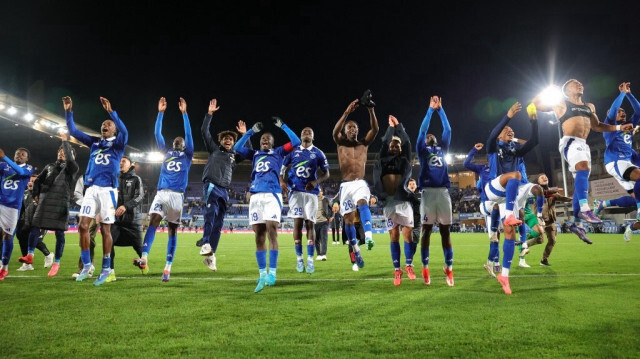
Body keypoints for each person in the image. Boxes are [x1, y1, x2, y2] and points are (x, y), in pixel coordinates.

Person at [534, 79, 633, 224]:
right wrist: (546, 90)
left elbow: (597, 126)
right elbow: (537, 105)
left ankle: (576, 221)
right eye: (575, 84)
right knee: (583, 168)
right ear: (567, 90)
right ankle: (585, 209)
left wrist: (619, 128)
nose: (580, 84)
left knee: (582, 178)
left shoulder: (589, 106)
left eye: (581, 83)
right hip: (570, 141)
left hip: (583, 144)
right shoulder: (562, 103)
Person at [65, 95, 128, 286]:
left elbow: (125, 130)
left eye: (108, 125)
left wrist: (111, 112)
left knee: (105, 230)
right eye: (103, 125)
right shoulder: (94, 143)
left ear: (114, 130)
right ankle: (86, 265)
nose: (105, 126)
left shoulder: (118, 144)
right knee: (83, 226)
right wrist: (68, 112)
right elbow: (73, 130)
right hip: (91, 189)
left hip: (108, 190)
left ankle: (107, 267)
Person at [233, 117, 301, 293]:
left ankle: (273, 273)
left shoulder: (278, 152)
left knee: (272, 231)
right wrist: (250, 131)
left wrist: (283, 126)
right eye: (262, 139)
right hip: (255, 197)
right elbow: (237, 148)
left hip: (272, 195)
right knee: (258, 236)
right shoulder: (254, 154)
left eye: (268, 139)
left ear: (272, 143)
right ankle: (262, 274)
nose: (264, 140)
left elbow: (296, 142)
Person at [485, 102, 546, 295]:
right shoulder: (493, 147)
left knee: (538, 189)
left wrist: (533, 119)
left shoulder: (515, 150)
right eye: (506, 129)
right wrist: (508, 116)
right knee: (516, 176)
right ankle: (507, 217)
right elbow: (492, 135)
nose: (510, 130)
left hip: (513, 193)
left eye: (511, 129)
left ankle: (504, 274)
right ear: (500, 135)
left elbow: (535, 141)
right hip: (495, 188)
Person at [134, 97, 193, 282]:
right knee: (153, 222)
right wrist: (160, 113)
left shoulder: (188, 155)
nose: (178, 141)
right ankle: (144, 257)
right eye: (175, 141)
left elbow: (189, 134)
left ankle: (167, 268)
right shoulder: (166, 152)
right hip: (162, 192)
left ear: (183, 145)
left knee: (172, 231)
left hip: (176, 195)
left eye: (180, 141)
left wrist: (185, 114)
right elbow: (157, 134)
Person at [198, 99, 250, 271]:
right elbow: (204, 131)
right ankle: (205, 243)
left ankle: (211, 256)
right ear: (220, 141)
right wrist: (209, 114)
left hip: (225, 190)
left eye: (230, 139)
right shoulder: (214, 149)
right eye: (225, 139)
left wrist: (245, 135)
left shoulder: (235, 156)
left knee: (219, 224)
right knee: (211, 213)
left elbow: (249, 153)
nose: (228, 140)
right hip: (212, 185)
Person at [18, 133, 78, 277]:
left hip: (60, 203)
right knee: (35, 225)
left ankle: (56, 262)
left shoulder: (72, 168)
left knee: (59, 233)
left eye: (64, 152)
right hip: (45, 201)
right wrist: (36, 195)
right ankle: (30, 255)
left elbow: (69, 159)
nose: (61, 153)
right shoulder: (50, 166)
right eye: (59, 152)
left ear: (70, 155)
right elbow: (38, 181)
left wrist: (65, 142)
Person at [332, 94, 379, 269]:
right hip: (345, 185)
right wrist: (346, 113)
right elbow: (334, 132)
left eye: (355, 128)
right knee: (348, 221)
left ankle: (368, 237)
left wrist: (371, 110)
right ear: (345, 131)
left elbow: (375, 130)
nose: (353, 130)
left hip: (360, 182)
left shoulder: (363, 144)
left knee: (363, 203)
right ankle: (356, 251)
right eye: (349, 128)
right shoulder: (340, 143)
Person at [588, 83, 640, 240]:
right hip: (616, 162)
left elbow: (639, 110)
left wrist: (630, 94)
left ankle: (606, 206)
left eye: (624, 111)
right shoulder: (610, 126)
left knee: (634, 197)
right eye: (618, 111)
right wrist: (622, 94)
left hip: (626, 163)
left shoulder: (629, 125)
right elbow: (614, 108)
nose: (622, 112)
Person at [280, 127, 330, 273]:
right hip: (295, 192)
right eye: (304, 132)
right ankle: (299, 260)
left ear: (313, 137)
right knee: (297, 224)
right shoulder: (293, 151)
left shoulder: (318, 153)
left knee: (310, 225)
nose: (307, 134)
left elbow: (326, 173)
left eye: (310, 132)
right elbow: (282, 169)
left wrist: (316, 182)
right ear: (301, 136)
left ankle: (310, 260)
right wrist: (282, 182)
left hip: (311, 193)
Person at [416, 96, 454, 286]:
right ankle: (425, 268)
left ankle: (449, 269)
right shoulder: (422, 151)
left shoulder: (443, 149)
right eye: (427, 135)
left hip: (443, 193)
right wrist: (430, 110)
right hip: (428, 193)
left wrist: (441, 110)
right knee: (426, 232)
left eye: (432, 135)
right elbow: (423, 129)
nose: (429, 135)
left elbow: (448, 129)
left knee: (446, 233)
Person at [374, 115, 414, 285]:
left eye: (397, 145)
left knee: (408, 234)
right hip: (389, 202)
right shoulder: (382, 160)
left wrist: (399, 127)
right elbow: (383, 144)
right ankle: (397, 270)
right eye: (393, 144)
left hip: (403, 201)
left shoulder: (405, 160)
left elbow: (407, 144)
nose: (395, 146)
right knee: (394, 235)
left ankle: (409, 265)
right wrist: (390, 130)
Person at [464, 142, 501, 277]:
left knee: (496, 238)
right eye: (491, 156)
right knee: (495, 235)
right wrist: (473, 150)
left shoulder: (502, 170)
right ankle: (496, 263)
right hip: (488, 204)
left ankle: (493, 264)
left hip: (500, 205)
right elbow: (466, 164)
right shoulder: (482, 169)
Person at [106, 156, 144, 282]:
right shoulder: (114, 178)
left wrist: (125, 206)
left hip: (133, 221)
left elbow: (139, 197)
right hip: (117, 221)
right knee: (109, 242)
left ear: (130, 164)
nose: (121, 163)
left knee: (141, 250)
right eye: (120, 161)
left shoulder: (136, 179)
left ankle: (143, 264)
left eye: (124, 161)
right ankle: (110, 272)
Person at [520, 174, 572, 266]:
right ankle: (524, 243)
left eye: (546, 176)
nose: (545, 177)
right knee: (540, 240)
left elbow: (564, 199)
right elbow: (545, 192)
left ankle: (544, 260)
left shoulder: (554, 194)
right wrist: (554, 190)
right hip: (540, 220)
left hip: (551, 220)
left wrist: (578, 198)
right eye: (541, 177)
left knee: (552, 240)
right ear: (538, 182)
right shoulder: (536, 190)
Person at [0, 147, 34, 280]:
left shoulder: (28, 168)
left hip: (13, 207)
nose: (19, 156)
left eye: (22, 155)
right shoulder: (3, 166)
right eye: (17, 154)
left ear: (26, 158)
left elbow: (20, 171)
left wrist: (5, 157)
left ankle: (4, 267)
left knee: (7, 237)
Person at [15, 175, 53, 271]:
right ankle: (27, 264)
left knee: (36, 241)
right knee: (22, 239)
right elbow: (22, 209)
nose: (30, 182)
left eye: (34, 181)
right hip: (28, 222)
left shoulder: (43, 194)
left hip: (40, 222)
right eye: (30, 181)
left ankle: (48, 255)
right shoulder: (25, 193)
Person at [71, 176, 98, 278]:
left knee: (89, 236)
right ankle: (87, 267)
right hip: (88, 209)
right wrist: (87, 204)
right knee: (86, 237)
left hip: (102, 209)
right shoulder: (84, 177)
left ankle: (86, 267)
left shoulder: (106, 172)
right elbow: (77, 193)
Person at [314, 189, 332, 261]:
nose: (319, 193)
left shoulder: (326, 199)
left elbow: (332, 208)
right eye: (317, 191)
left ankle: (323, 254)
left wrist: (332, 216)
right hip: (315, 222)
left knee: (324, 238)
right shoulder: (313, 199)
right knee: (316, 239)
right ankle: (318, 254)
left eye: (320, 191)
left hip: (324, 221)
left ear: (322, 192)